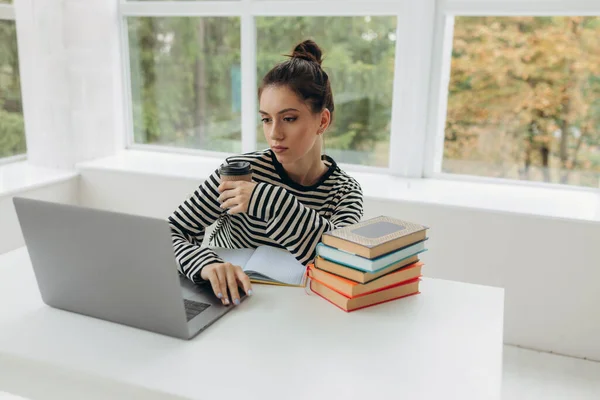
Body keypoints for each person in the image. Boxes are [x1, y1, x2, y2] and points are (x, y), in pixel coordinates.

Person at [168, 40, 364, 307]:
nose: (274, 134)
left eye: (289, 118)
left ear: (323, 121)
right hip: (230, 305)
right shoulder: (238, 173)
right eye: (266, 119)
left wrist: (270, 201)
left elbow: (341, 261)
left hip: (303, 315)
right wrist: (205, 264)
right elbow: (169, 232)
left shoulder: (345, 193)